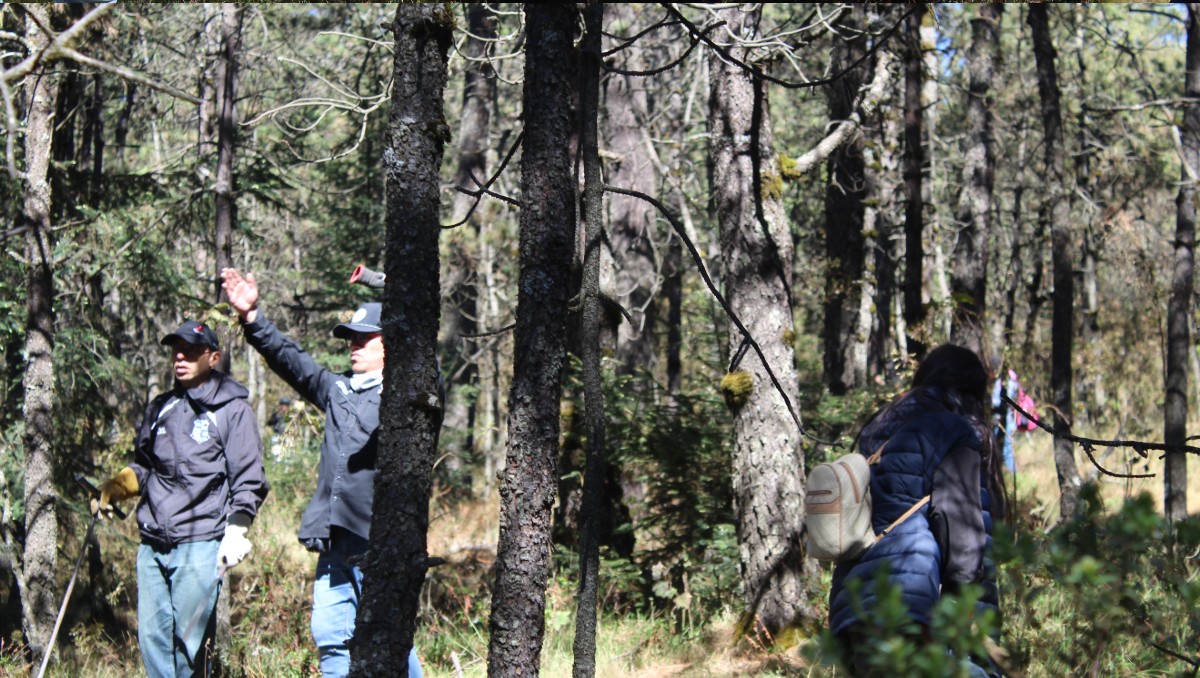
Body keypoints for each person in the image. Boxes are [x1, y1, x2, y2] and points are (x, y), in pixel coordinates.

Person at [219, 268, 423, 678]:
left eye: (365, 337)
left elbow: (427, 366)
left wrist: (394, 289)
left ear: (390, 343)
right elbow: (291, 362)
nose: (354, 345)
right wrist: (252, 318)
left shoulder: (408, 393)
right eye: (351, 337)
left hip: (379, 541)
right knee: (329, 634)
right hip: (334, 541)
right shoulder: (338, 390)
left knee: (390, 640)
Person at [94, 320, 268, 678]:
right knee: (153, 641)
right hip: (152, 544)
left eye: (191, 350)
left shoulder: (232, 410)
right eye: (175, 349)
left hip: (200, 543)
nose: (180, 356)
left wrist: (236, 531)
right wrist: (117, 486)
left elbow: (248, 479)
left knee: (189, 646)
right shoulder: (160, 407)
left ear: (214, 357)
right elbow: (145, 466)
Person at [827, 344, 1005, 677]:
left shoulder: (878, 429)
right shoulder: (952, 431)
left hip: (851, 610)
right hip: (912, 612)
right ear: (972, 391)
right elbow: (964, 542)